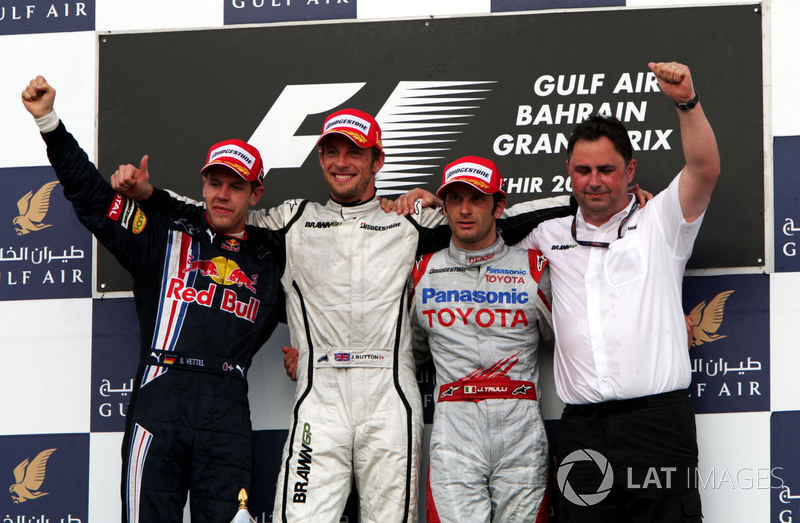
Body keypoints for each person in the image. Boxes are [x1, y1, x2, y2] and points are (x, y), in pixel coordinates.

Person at [111, 108, 572, 522]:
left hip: (389, 393)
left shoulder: (408, 221)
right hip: (320, 393)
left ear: (378, 161)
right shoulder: (292, 220)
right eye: (331, 151)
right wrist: (149, 195)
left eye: (354, 152)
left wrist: (596, 204)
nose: (341, 162)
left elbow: (505, 222)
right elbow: (218, 213)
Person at [22, 76, 285, 523]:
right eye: (214, 183)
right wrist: (49, 121)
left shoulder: (274, 257)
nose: (222, 195)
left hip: (227, 408)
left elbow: (340, 292)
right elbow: (91, 197)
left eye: (235, 186)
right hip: (160, 397)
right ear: (202, 185)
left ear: (255, 194)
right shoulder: (162, 236)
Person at [512, 61, 719, 521]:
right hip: (580, 428)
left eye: (607, 169)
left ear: (631, 170)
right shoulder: (545, 233)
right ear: (568, 171)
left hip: (658, 425)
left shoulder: (661, 221)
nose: (595, 180)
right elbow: (479, 232)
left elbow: (703, 170)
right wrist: (424, 203)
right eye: (583, 170)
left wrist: (686, 101)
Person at [409, 156, 554, 522]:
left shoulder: (534, 268)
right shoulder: (423, 271)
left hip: (520, 424)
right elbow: (409, 351)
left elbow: (578, 340)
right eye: (455, 199)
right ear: (443, 206)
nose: (465, 210)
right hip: (455, 427)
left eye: (477, 199)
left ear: (499, 205)